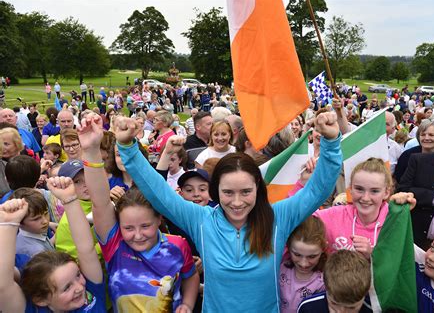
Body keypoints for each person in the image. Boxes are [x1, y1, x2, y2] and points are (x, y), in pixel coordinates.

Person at [113, 111, 342, 312]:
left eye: (245, 192)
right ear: (215, 192)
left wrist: (331, 142)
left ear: (258, 190)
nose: (237, 202)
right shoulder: (201, 220)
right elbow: (158, 193)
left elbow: (318, 191)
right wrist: (128, 148)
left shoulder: (277, 218)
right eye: (228, 192)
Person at [77, 114, 200, 312]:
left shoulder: (178, 245)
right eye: (128, 227)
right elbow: (100, 204)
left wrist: (187, 303)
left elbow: (191, 275)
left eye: (145, 226)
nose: (137, 235)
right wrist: (91, 150)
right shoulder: (115, 244)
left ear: (159, 219)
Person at [0, 177, 106, 312]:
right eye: (67, 287)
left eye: (78, 275)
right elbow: (3, 285)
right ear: (41, 299)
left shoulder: (91, 289)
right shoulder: (35, 310)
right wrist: (8, 224)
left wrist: (70, 199)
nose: (79, 287)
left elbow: (86, 250)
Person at [313, 158, 391, 258]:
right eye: (359, 189)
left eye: (374, 191)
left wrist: (372, 255)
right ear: (350, 189)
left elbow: (404, 264)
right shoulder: (335, 216)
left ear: (386, 193)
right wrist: (304, 183)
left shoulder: (393, 221)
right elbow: (297, 218)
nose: (365, 198)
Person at [297, 250, 372, 313]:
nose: (341, 311)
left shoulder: (374, 309)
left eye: (351, 308)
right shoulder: (309, 308)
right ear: (326, 286)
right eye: (334, 303)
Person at [279, 217, 327, 313]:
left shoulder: (325, 281)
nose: (303, 264)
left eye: (312, 256)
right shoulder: (280, 268)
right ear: (288, 246)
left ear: (323, 248)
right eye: (297, 255)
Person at [11, 187, 54, 258]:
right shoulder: (37, 252)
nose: (45, 221)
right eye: (36, 219)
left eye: (46, 213)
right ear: (19, 222)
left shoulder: (34, 231)